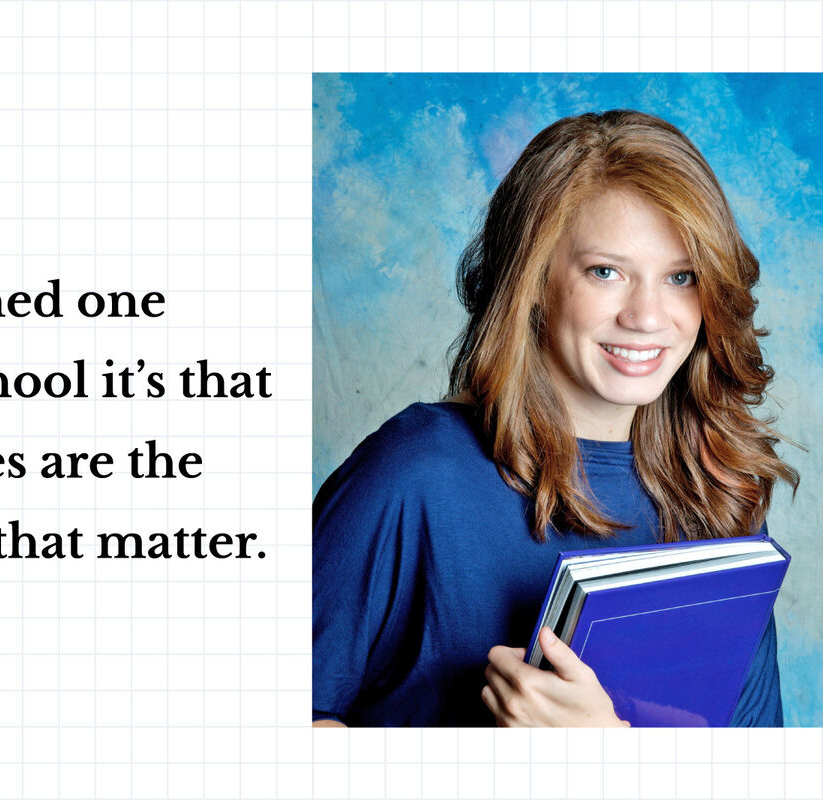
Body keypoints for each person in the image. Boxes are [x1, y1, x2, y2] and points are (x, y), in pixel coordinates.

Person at [312, 110, 800, 727]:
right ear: (535, 281)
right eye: (606, 272)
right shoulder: (414, 478)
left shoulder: (719, 492)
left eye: (682, 278)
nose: (648, 316)